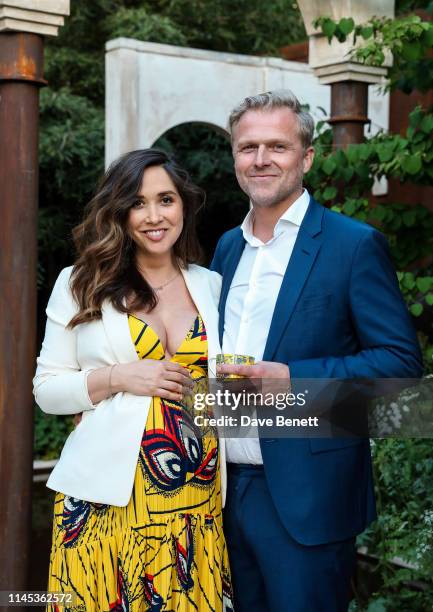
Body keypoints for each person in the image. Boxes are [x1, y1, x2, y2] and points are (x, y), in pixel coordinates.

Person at [210, 90, 423, 611]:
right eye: (248, 147)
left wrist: (296, 380)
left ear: (305, 157)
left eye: (277, 147)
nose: (261, 159)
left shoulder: (353, 245)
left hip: (307, 498)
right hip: (217, 491)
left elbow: (401, 363)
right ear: (235, 158)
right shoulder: (225, 247)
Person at [34, 149, 233, 611]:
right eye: (137, 203)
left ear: (183, 204)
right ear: (119, 213)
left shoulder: (212, 285)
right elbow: (47, 392)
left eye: (165, 199)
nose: (153, 216)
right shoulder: (81, 282)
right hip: (107, 503)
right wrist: (121, 376)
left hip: (195, 502)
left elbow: (227, 390)